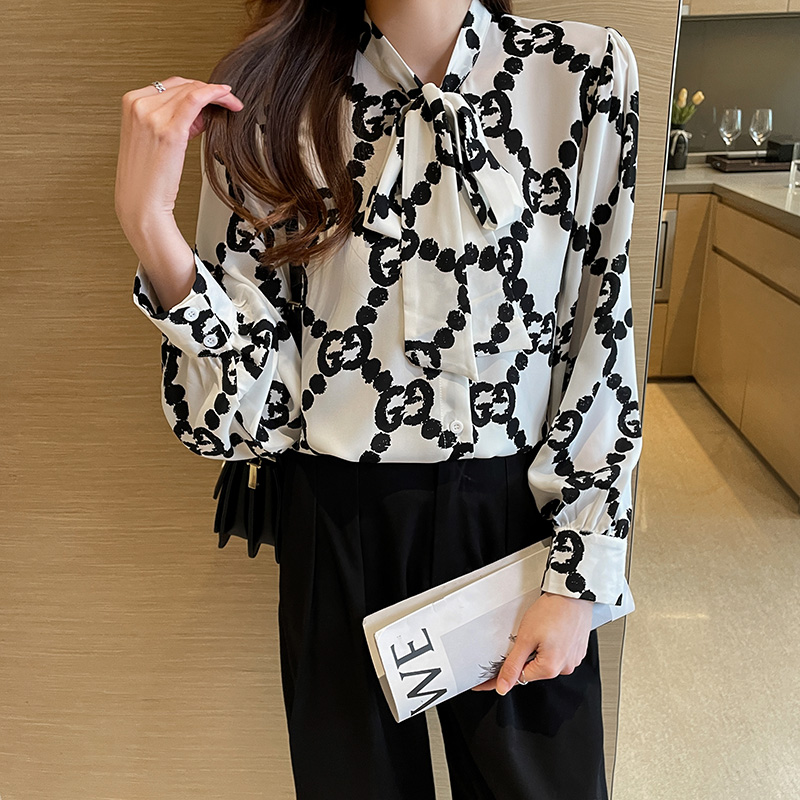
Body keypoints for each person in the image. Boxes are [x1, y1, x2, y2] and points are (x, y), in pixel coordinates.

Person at [115, 0, 642, 797]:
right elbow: (248, 421)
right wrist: (151, 228)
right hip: (335, 525)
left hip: (516, 526)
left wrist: (580, 573)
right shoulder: (270, 99)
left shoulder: (581, 72)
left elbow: (601, 334)